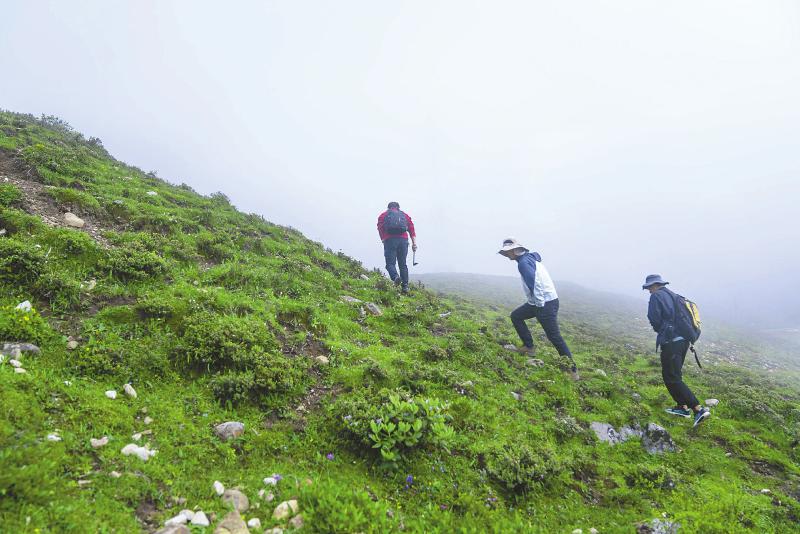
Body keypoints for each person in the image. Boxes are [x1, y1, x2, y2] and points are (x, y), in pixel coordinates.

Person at [498, 238, 578, 378]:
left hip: (545, 303)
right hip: (540, 301)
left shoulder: (523, 263)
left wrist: (540, 305)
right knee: (516, 316)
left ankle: (572, 370)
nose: (506, 255)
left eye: (508, 252)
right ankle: (529, 347)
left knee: (554, 336)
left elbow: (535, 284)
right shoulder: (529, 257)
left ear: (515, 250)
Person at [643, 274, 710, 428]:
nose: (649, 291)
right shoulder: (674, 296)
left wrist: (662, 330)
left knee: (671, 377)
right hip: (684, 341)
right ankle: (682, 407)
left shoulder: (656, 296)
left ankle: (697, 409)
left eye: (649, 288)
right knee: (675, 375)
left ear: (655, 285)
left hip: (671, 341)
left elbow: (654, 318)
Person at [377, 202, 417, 293]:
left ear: (388, 208)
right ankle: (405, 287)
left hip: (390, 240)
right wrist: (414, 243)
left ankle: (395, 277)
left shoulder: (383, 215)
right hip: (403, 241)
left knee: (390, 264)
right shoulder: (405, 215)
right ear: (398, 207)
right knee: (403, 264)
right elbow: (411, 229)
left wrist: (383, 239)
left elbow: (380, 228)